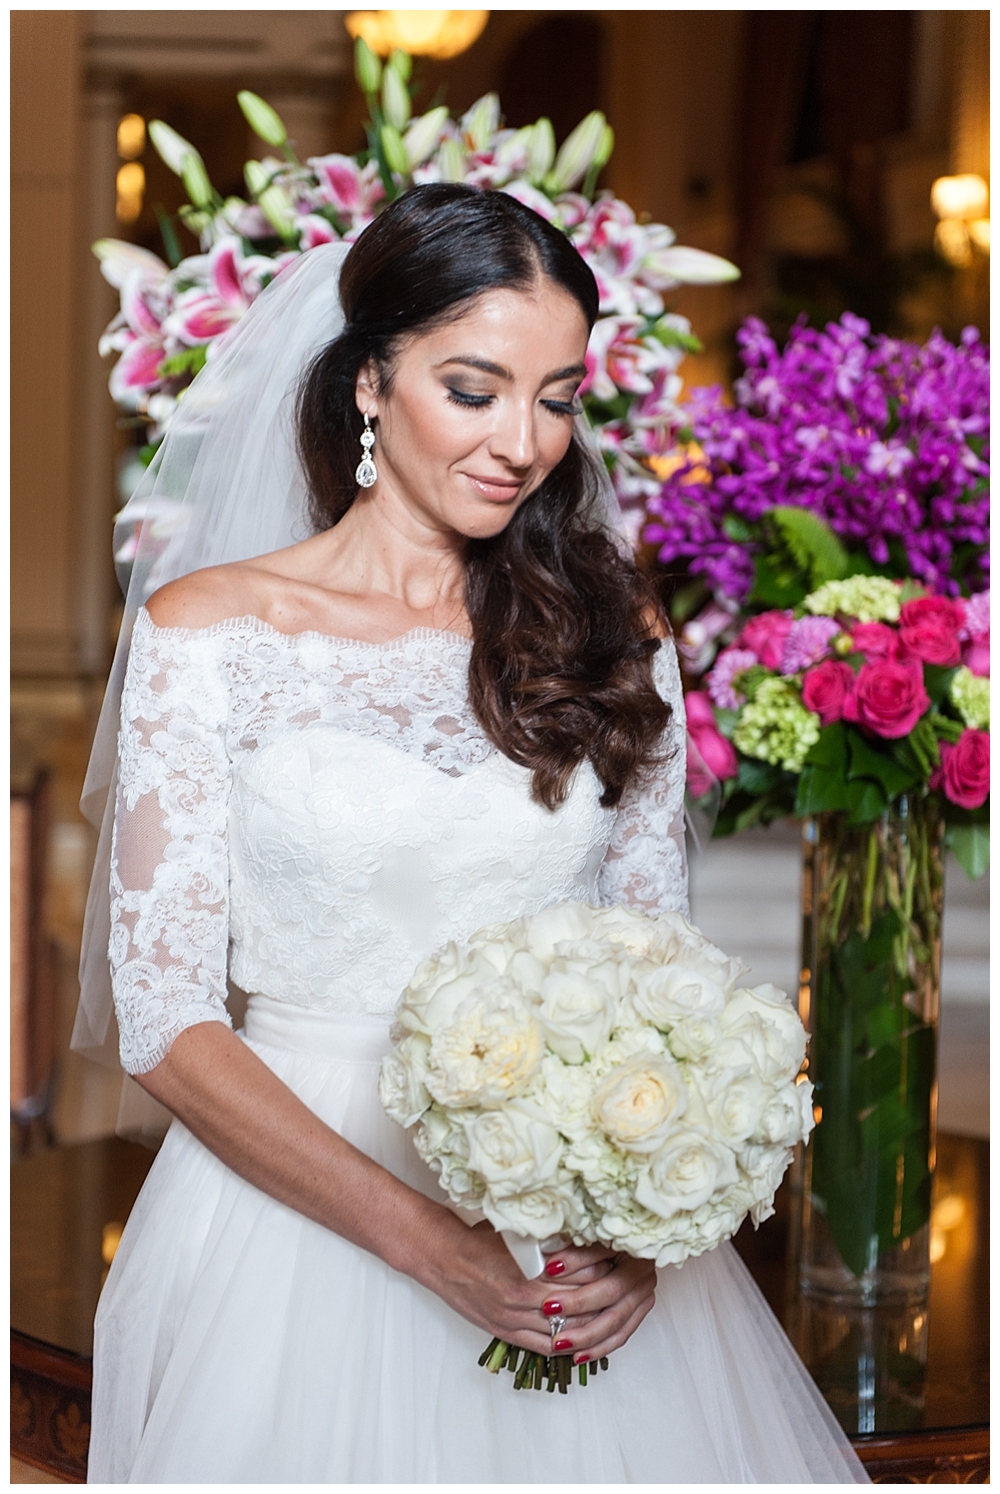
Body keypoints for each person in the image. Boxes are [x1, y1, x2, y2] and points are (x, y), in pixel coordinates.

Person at [83, 184, 867, 1483]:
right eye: (474, 387)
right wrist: (436, 1247)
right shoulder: (207, 636)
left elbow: (656, 985)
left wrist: (644, 1234)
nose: (523, 440)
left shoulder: (614, 638)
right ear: (370, 382)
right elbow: (165, 1018)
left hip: (563, 1233)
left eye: (557, 397)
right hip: (290, 1226)